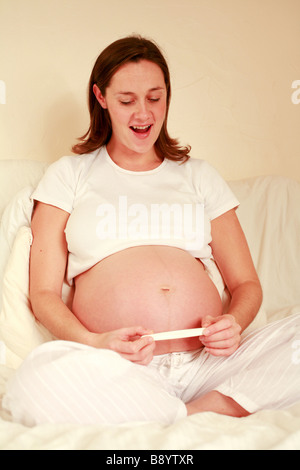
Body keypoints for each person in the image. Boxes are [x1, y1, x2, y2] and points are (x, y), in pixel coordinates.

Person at [3, 36, 300, 426]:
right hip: (118, 368)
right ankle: (199, 411)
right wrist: (95, 342)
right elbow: (43, 295)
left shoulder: (198, 176)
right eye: (127, 99)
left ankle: (183, 411)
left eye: (155, 98)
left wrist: (236, 324)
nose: (143, 113)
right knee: (32, 382)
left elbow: (246, 283)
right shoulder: (68, 176)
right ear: (101, 97)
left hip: (209, 365)